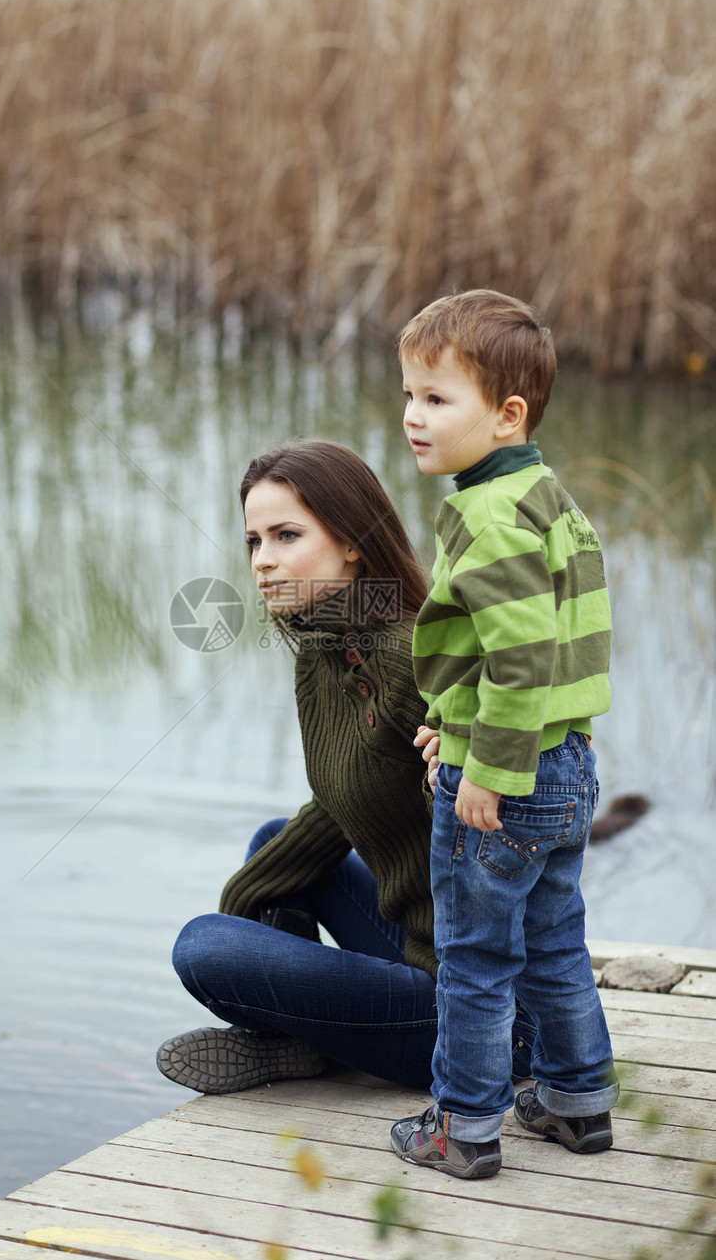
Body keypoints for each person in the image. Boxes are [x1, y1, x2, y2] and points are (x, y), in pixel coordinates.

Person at [156, 440, 535, 1094]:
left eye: (286, 534)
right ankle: (301, 1038)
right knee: (275, 846)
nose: (263, 560)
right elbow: (338, 804)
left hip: (482, 1011)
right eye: (253, 540)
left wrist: (446, 776)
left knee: (202, 946)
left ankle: (304, 1035)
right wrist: (248, 904)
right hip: (420, 947)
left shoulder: (411, 658)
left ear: (354, 541)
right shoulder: (323, 658)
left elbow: (502, 838)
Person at [389, 290, 617, 1181]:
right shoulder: (545, 497)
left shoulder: (484, 517)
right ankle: (578, 1102)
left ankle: (465, 1126)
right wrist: (453, 722)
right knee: (555, 937)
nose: (413, 415)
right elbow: (555, 647)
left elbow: (520, 659)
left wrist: (484, 766)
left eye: (437, 399)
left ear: (507, 414)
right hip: (567, 762)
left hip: (510, 774)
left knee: (477, 958)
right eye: (408, 393)